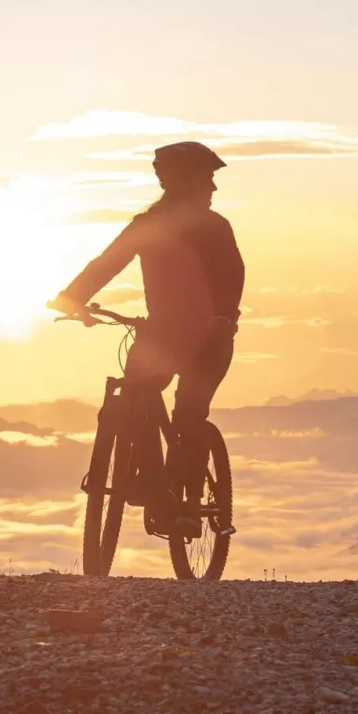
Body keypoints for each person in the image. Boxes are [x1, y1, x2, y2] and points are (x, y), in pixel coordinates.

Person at [50, 140, 244, 537]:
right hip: (165, 335)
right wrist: (73, 297)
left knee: (189, 411)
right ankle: (146, 478)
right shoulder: (149, 226)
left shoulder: (214, 228)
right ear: (184, 181)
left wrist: (223, 317)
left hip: (209, 337)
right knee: (134, 391)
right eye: (207, 178)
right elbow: (108, 262)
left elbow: (232, 277)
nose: (213, 188)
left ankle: (188, 502)